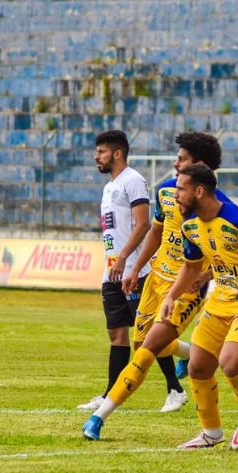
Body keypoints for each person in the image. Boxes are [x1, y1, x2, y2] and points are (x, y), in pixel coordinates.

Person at [83, 163, 238, 450]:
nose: (175, 195)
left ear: (199, 191)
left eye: (181, 189)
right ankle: (211, 433)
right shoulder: (190, 226)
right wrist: (170, 297)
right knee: (199, 368)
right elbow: (190, 266)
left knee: (230, 362)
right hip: (219, 301)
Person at [120, 132, 225, 413]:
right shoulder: (167, 191)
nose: (175, 164)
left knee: (150, 347)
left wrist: (209, 274)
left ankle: (172, 391)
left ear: (198, 165)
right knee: (140, 343)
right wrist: (136, 268)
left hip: (186, 284)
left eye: (181, 159)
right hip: (158, 275)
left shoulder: (218, 205)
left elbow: (222, 249)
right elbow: (156, 231)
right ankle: (190, 354)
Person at [77, 130, 153, 411]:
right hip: (112, 271)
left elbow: (143, 224)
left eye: (101, 152)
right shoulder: (110, 186)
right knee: (117, 335)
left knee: (146, 335)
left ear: (117, 153)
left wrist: (123, 259)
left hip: (134, 269)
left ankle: (175, 388)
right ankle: (111, 394)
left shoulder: (133, 180)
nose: (96, 157)